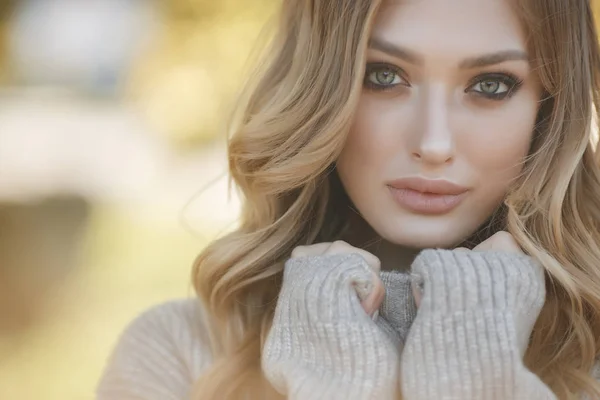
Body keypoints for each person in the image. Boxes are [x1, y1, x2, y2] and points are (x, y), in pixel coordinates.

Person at [96, 0, 600, 399]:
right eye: (383, 76)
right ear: (318, 90)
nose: (434, 143)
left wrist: (477, 367)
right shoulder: (177, 356)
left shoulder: (589, 364)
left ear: (551, 110)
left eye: (491, 85)